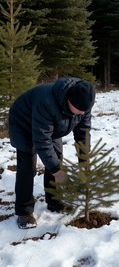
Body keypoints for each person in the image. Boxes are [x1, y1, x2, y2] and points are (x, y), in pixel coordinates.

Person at [8, 78, 96, 229]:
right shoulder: (47, 102)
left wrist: (84, 162)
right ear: (69, 100)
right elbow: (42, 141)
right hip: (23, 124)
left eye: (85, 110)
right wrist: (57, 171)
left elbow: (83, 134)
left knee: (57, 158)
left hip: (51, 126)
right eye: (79, 109)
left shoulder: (83, 104)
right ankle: (24, 211)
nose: (82, 113)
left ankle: (54, 202)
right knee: (27, 167)